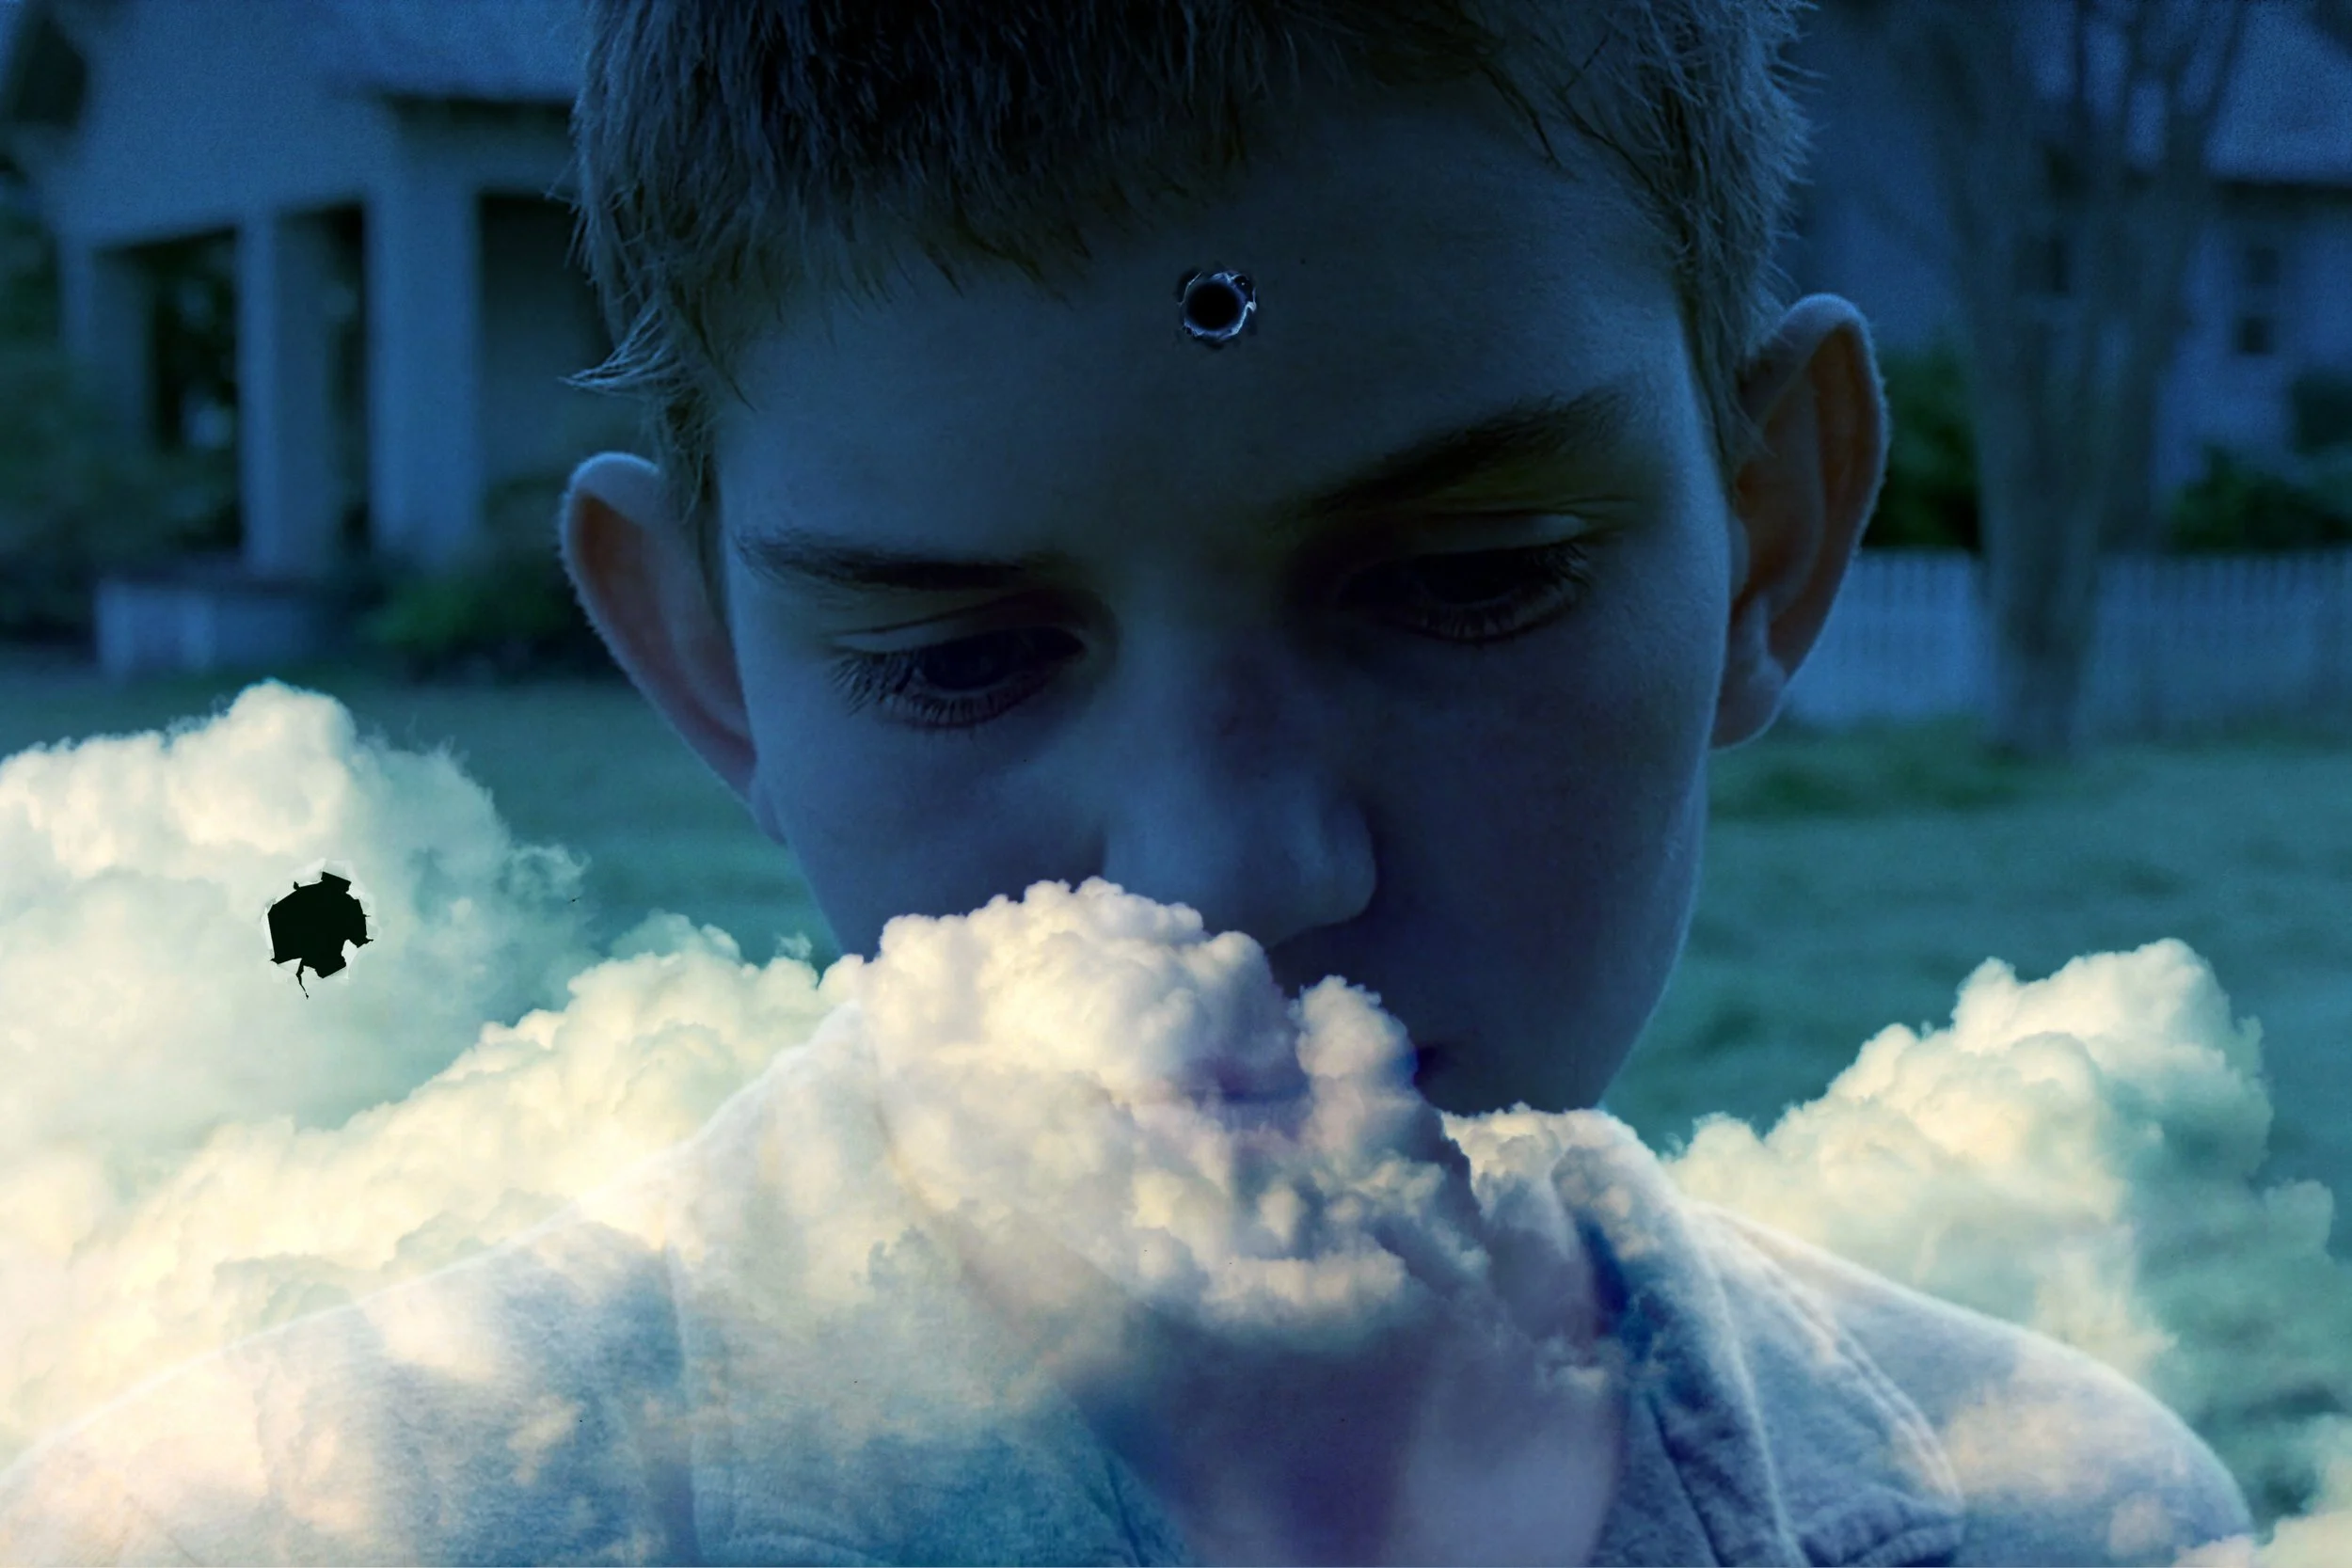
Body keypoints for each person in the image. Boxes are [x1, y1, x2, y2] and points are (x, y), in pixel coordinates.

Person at [0, 0, 2257, 1563]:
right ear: (703, 659)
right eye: (958, 657)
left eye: (1468, 581)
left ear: (1767, 533)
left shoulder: (2063, 1523)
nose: (1226, 870)